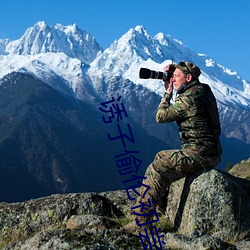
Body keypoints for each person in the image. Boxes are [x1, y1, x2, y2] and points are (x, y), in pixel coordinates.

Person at [128, 61, 222, 229]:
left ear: (188, 77)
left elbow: (161, 116)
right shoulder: (203, 90)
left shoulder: (189, 98)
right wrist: (175, 74)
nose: (173, 79)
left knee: (157, 168)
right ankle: (161, 212)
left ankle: (141, 222)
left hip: (200, 154)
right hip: (209, 152)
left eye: (176, 76)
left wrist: (167, 93)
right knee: (160, 156)